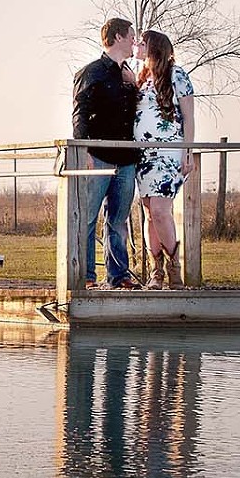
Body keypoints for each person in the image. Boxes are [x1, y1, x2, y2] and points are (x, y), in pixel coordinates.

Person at [71, 17, 141, 288]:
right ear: (118, 37)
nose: (135, 41)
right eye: (131, 36)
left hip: (126, 158)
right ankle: (87, 276)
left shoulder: (128, 75)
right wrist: (84, 150)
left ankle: (118, 275)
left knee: (118, 220)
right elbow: (80, 113)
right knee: (87, 217)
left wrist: (133, 86)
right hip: (98, 155)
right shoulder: (91, 73)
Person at [131, 29, 196, 288]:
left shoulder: (176, 74)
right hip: (143, 154)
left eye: (141, 42)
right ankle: (156, 271)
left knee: (160, 210)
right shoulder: (141, 77)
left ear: (153, 47)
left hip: (168, 152)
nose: (136, 45)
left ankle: (174, 266)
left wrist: (188, 151)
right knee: (149, 212)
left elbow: (189, 116)